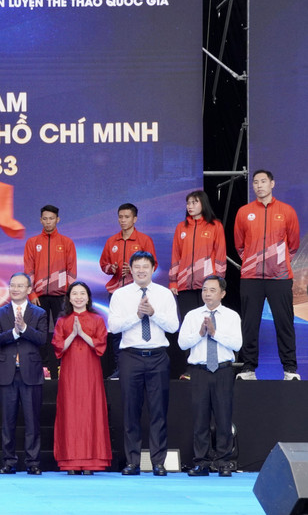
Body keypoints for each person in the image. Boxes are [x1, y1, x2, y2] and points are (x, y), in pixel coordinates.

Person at [108, 251, 179, 476]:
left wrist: (153, 314)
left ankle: (158, 462)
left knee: (158, 411)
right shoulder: (120, 295)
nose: (141, 270)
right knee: (131, 410)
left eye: (145, 266)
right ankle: (132, 462)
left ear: (152, 269)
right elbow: (113, 326)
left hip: (158, 356)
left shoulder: (165, 294)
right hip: (130, 357)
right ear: (131, 269)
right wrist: (137, 316)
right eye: (136, 266)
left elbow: (173, 327)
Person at [233, 170, 301, 380]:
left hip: (279, 277)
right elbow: (239, 245)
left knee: (285, 323)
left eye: (263, 181)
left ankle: (290, 370)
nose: (259, 185)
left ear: (272, 183)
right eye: (255, 182)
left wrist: (276, 263)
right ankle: (248, 368)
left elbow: (293, 245)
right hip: (251, 277)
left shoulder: (286, 211)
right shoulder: (244, 212)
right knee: (250, 323)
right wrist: (254, 262)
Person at [178, 276, 241, 478]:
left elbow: (237, 344)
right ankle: (201, 462)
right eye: (205, 289)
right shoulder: (192, 315)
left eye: (212, 290)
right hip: (199, 372)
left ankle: (224, 462)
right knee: (200, 419)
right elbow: (182, 344)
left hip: (222, 370)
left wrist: (214, 333)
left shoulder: (231, 316)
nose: (207, 293)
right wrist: (200, 333)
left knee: (223, 418)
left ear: (222, 293)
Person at [51, 281, 111, 475]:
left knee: (91, 410)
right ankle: (70, 460)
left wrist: (83, 334)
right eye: (74, 293)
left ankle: (92, 461)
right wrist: (73, 335)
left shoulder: (97, 319)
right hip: (69, 372)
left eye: (82, 293)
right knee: (70, 411)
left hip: (90, 372)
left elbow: (101, 345)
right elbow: (58, 347)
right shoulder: (62, 321)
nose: (78, 297)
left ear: (88, 297)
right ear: (69, 298)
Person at [0, 273, 47, 475]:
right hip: (6, 373)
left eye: (20, 286)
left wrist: (24, 328)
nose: (15, 289)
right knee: (8, 421)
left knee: (32, 421)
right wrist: (14, 333)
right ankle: (9, 461)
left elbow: (42, 339)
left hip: (30, 373)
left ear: (29, 289)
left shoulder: (39, 313)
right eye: (12, 285)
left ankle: (33, 462)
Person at [169, 190, 226, 380]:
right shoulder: (181, 228)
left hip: (207, 286)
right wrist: (173, 280)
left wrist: (218, 283)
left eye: (194, 202)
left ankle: (210, 364)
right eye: (188, 203)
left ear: (203, 204)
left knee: (209, 322)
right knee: (189, 326)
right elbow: (176, 256)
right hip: (185, 285)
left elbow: (220, 254)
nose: (190, 206)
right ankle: (190, 368)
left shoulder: (215, 226)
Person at [99, 203, 157, 379]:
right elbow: (103, 265)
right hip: (116, 292)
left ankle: (140, 367)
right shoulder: (112, 241)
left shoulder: (144, 240)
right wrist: (113, 268)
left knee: (138, 327)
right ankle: (120, 368)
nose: (123, 220)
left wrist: (133, 271)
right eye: (120, 217)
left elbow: (153, 265)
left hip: (138, 292)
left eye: (126, 217)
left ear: (135, 219)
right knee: (117, 330)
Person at [23, 205, 77, 380]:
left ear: (57, 220)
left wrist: (69, 296)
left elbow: (71, 272)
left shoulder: (66, 242)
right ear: (40, 220)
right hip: (39, 296)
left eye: (51, 218)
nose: (48, 222)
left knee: (64, 331)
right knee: (40, 333)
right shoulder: (32, 242)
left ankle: (63, 366)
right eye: (45, 219)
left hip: (61, 296)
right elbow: (28, 271)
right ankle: (43, 367)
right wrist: (31, 294)